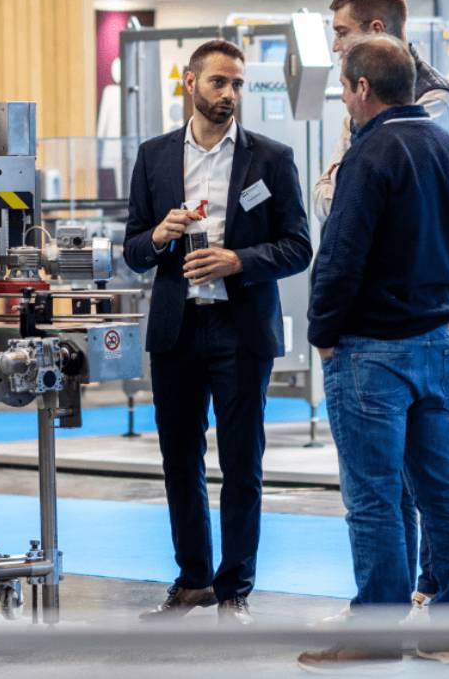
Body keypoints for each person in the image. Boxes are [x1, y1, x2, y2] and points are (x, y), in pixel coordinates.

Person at [299, 35, 449, 672]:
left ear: (362, 89)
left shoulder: (369, 154)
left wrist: (322, 331)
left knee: (373, 495)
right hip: (434, 343)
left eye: (345, 88)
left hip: (369, 351)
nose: (345, 99)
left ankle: (375, 633)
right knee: (440, 487)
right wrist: (437, 300)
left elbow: (341, 257)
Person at [123, 38, 312, 624]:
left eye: (237, 84)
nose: (229, 95)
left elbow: (298, 246)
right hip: (177, 331)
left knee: (242, 464)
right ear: (189, 82)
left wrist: (238, 261)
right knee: (179, 460)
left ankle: (235, 591)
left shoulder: (271, 159)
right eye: (218, 83)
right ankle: (194, 581)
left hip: (240, 329)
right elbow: (133, 250)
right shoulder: (154, 156)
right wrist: (158, 236)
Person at [314, 0, 449, 225]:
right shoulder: (359, 98)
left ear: (377, 30)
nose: (336, 46)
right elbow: (325, 202)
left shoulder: (436, 99)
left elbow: (379, 199)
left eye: (342, 33)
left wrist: (339, 188)